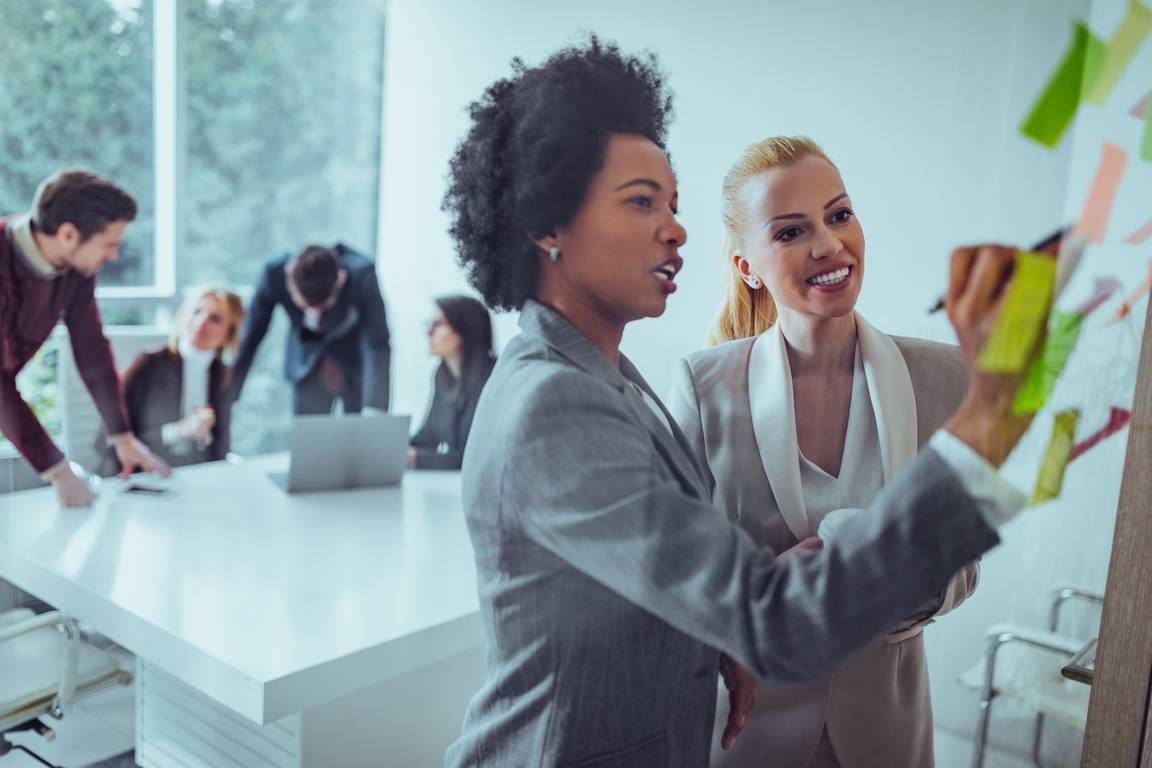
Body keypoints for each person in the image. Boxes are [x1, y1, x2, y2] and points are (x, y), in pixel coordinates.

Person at [442, 38, 1034, 767]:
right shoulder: (558, 403)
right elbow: (768, 618)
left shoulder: (610, 377)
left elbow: (671, 578)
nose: (675, 228)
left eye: (673, 204)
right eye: (641, 203)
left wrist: (718, 633)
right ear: (548, 226)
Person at [666, 136, 978, 767]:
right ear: (746, 266)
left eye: (839, 215)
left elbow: (964, 568)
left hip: (887, 734)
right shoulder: (702, 388)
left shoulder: (945, 378)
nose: (829, 244)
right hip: (748, 734)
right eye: (789, 232)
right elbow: (674, 576)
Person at [0, 170, 169, 506]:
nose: (113, 256)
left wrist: (122, 438)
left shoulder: (74, 269)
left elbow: (92, 351)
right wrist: (58, 472)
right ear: (67, 234)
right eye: (109, 244)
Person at [231, 243, 391, 415]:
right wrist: (229, 396)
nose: (314, 313)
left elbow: (377, 344)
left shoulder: (362, 273)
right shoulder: (273, 273)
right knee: (308, 436)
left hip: (355, 364)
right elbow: (251, 337)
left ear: (341, 278)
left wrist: (375, 407)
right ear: (289, 274)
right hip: (307, 364)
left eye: (322, 306)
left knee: (360, 435)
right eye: (306, 305)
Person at [99, 286, 245, 475]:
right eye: (197, 311)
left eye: (215, 319)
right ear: (183, 315)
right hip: (144, 476)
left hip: (195, 477)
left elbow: (221, 447)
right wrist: (178, 431)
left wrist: (204, 435)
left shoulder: (223, 374)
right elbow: (106, 441)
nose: (201, 322)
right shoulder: (148, 364)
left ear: (229, 334)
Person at [408, 295, 495, 470]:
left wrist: (417, 459)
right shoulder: (443, 378)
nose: (429, 332)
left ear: (465, 330)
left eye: (438, 324)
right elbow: (428, 437)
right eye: (429, 324)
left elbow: (477, 456)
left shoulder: (494, 378)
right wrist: (394, 449)